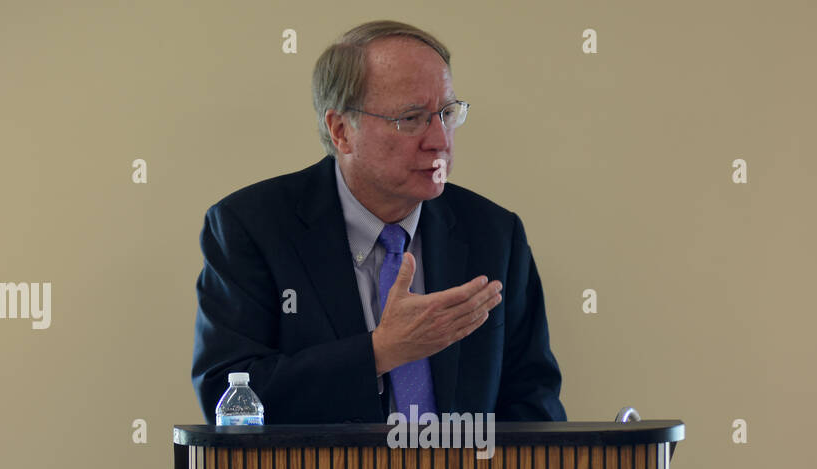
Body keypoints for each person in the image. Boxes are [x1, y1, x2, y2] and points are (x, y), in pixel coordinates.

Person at [191, 20, 567, 424]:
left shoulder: (493, 233)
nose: (439, 139)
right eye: (411, 118)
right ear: (341, 131)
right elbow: (229, 399)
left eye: (447, 113)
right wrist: (379, 353)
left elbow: (533, 400)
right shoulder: (251, 227)